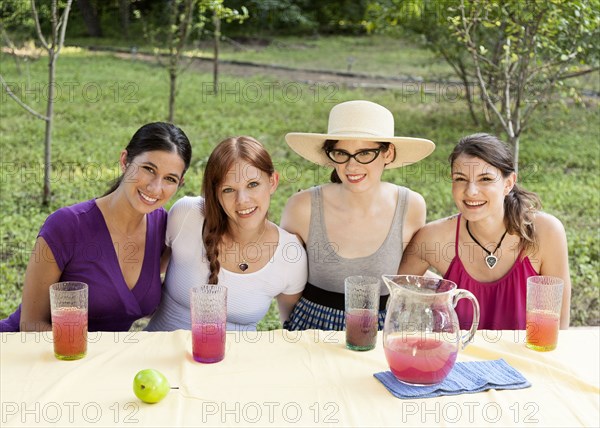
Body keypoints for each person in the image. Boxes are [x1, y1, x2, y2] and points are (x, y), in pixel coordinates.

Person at [0, 122, 192, 332]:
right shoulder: (66, 226)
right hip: (29, 355)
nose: (155, 187)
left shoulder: (164, 228)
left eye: (170, 179)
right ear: (124, 161)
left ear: (180, 183)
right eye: (148, 169)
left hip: (100, 362)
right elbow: (31, 325)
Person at [280, 100, 435, 330]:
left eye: (365, 153)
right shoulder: (302, 208)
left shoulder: (411, 206)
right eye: (341, 153)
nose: (352, 166)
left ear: (388, 153)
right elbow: (287, 284)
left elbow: (409, 275)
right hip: (312, 328)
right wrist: (290, 330)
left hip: (381, 329)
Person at [399, 133, 571, 330]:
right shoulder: (433, 238)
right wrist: (440, 291)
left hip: (526, 358)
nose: (471, 191)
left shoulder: (546, 233)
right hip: (459, 359)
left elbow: (559, 326)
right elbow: (396, 292)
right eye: (461, 179)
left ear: (508, 183)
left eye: (485, 179)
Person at [145, 136, 307, 332]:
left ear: (273, 182)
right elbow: (147, 277)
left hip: (237, 361)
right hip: (160, 356)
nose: (243, 200)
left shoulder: (291, 255)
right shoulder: (186, 215)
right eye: (229, 189)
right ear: (215, 193)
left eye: (253, 184)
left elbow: (291, 328)